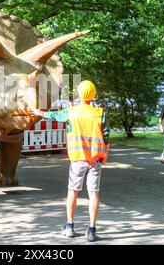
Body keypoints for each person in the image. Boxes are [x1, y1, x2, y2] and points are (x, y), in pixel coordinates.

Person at [30, 80, 109, 242]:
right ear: (93, 94)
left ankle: (70, 227)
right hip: (96, 159)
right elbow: (106, 138)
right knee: (93, 193)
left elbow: (54, 115)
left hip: (77, 159)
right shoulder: (100, 113)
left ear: (79, 94)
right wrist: (103, 157)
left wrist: (39, 112)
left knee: (73, 191)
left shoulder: (71, 112)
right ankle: (92, 230)